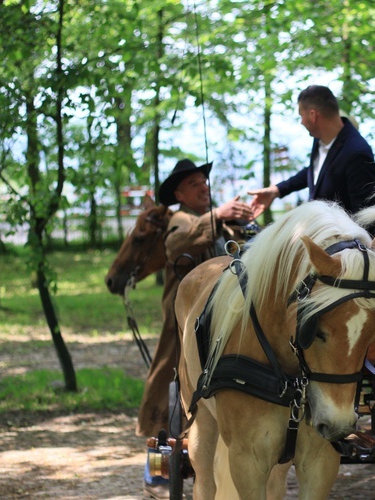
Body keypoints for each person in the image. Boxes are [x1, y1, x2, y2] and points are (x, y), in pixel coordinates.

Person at [141, 158, 253, 498]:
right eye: (193, 184)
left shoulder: (220, 222)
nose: (202, 187)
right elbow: (177, 244)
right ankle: (158, 477)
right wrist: (218, 215)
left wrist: (246, 225)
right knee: (168, 400)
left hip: (229, 323)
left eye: (204, 182)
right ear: (179, 193)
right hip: (186, 324)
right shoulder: (181, 220)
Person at [248, 85, 375, 216]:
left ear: (312, 115)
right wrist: (276, 190)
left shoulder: (357, 153)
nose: (301, 122)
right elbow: (315, 171)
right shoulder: (321, 138)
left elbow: (364, 215)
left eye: (301, 115)